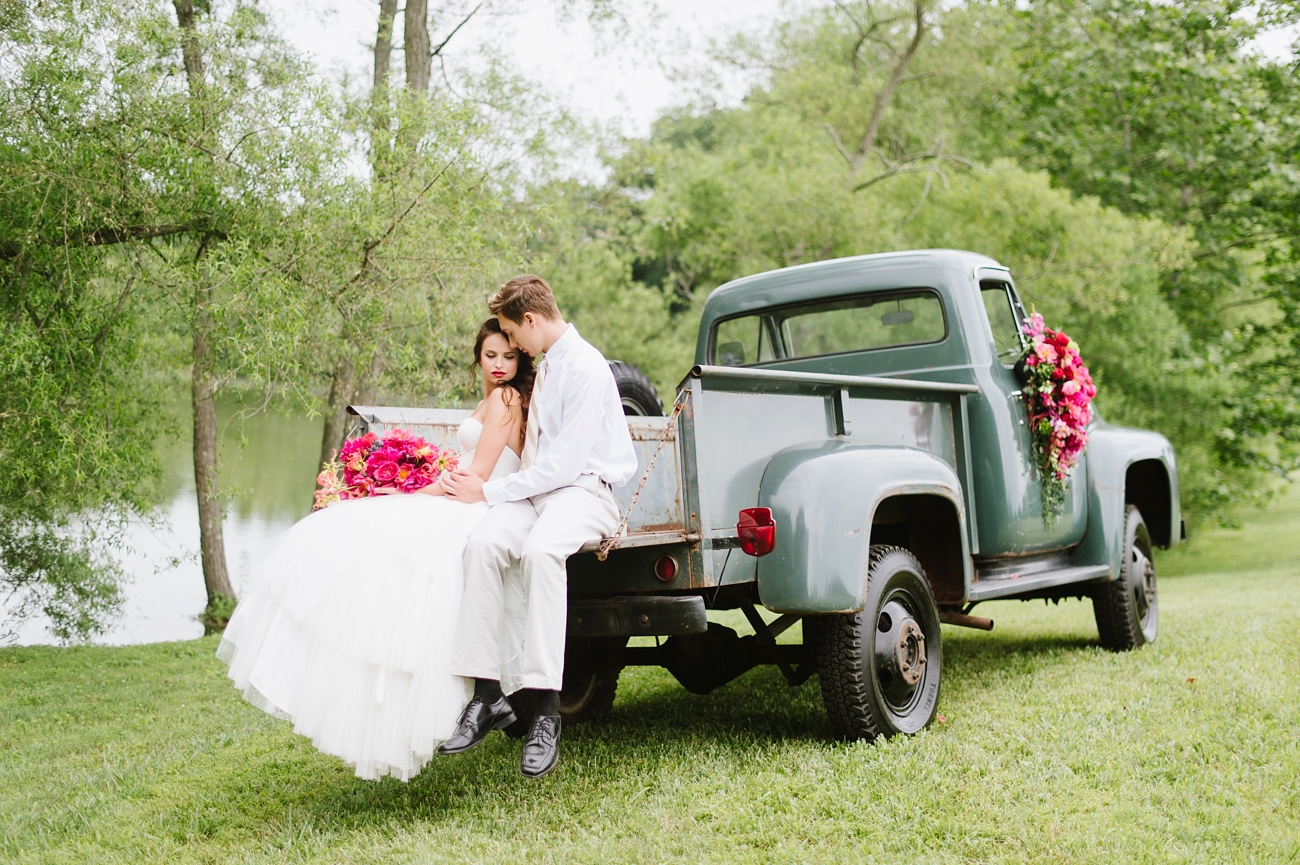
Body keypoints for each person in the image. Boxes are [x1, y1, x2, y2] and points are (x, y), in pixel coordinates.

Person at [216, 318, 532, 782]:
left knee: (382, 545)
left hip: (482, 504)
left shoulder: (506, 399)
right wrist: (413, 493)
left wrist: (416, 497)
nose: (500, 365)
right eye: (491, 356)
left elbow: (476, 478)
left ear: (521, 357)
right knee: (360, 533)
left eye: (509, 356)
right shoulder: (492, 398)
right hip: (464, 497)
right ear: (478, 358)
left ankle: (473, 696)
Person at [439, 274, 638, 778]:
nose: (514, 347)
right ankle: (487, 696)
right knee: (482, 543)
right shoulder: (550, 366)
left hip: (584, 493)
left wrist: (488, 490)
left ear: (530, 320)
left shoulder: (587, 368)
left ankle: (545, 712)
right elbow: (535, 458)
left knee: (542, 551)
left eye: (513, 334)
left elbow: (566, 465)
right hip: (538, 494)